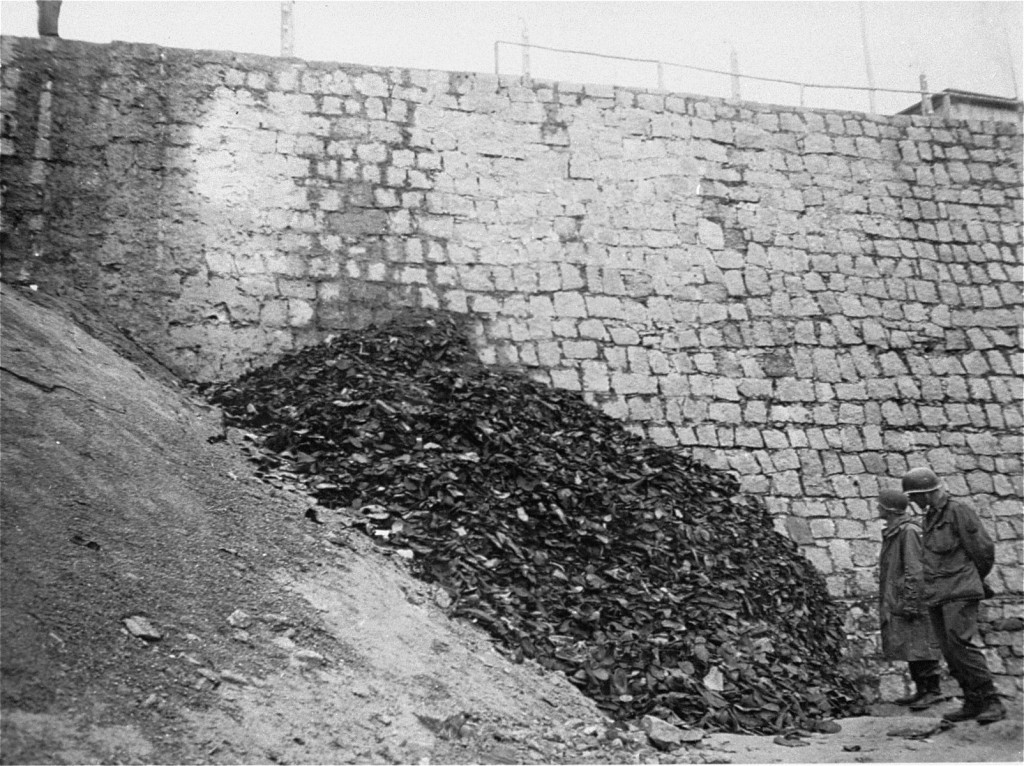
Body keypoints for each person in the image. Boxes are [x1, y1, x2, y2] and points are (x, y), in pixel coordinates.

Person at [901, 466, 1006, 724]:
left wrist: (972, 580)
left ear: (926, 493)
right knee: (949, 649)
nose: (912, 502)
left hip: (960, 590)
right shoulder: (931, 517)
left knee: (961, 644)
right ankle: (972, 701)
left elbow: (982, 550)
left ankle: (992, 700)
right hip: (938, 593)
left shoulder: (958, 512)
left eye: (914, 496)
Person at [876, 488, 943, 709]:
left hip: (912, 599)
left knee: (921, 644)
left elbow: (915, 570)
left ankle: (932, 691)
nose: (877, 507)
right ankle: (921, 690)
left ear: (890, 509)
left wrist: (912, 602)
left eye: (880, 505)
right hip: (902, 598)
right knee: (910, 645)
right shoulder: (897, 531)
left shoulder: (908, 532)